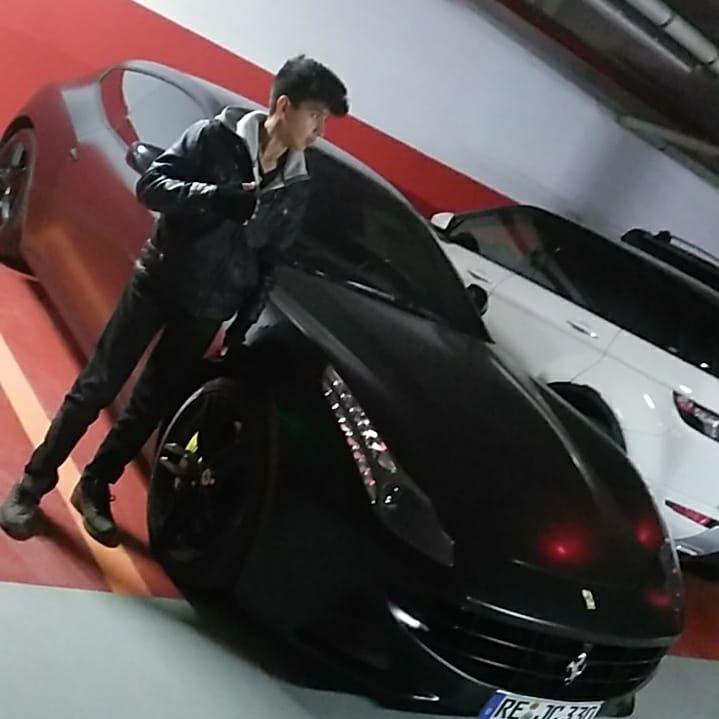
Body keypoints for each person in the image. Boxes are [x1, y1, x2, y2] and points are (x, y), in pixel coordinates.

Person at [0, 55, 349, 546]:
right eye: (315, 116)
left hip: (209, 307)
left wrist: (243, 322)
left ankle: (95, 485)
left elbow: (271, 258)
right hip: (160, 280)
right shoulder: (213, 138)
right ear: (284, 107)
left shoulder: (296, 184)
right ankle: (31, 486)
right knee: (98, 385)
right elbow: (152, 187)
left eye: (324, 121)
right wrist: (214, 196)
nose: (319, 131)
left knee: (148, 405)